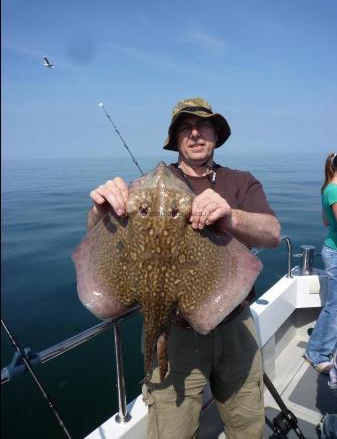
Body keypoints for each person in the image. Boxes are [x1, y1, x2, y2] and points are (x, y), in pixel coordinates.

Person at [88, 97, 281, 439]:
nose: (194, 134)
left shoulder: (240, 181)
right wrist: (99, 209)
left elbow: (272, 233)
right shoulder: (144, 188)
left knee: (248, 426)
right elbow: (97, 233)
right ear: (175, 139)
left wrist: (229, 215)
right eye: (184, 128)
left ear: (216, 134)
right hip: (175, 335)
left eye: (202, 125)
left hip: (235, 323)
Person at [304, 153, 337, 374]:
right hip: (335, 253)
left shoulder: (328, 188)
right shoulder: (334, 189)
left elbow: (326, 221)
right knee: (334, 307)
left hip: (331, 249)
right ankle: (316, 352)